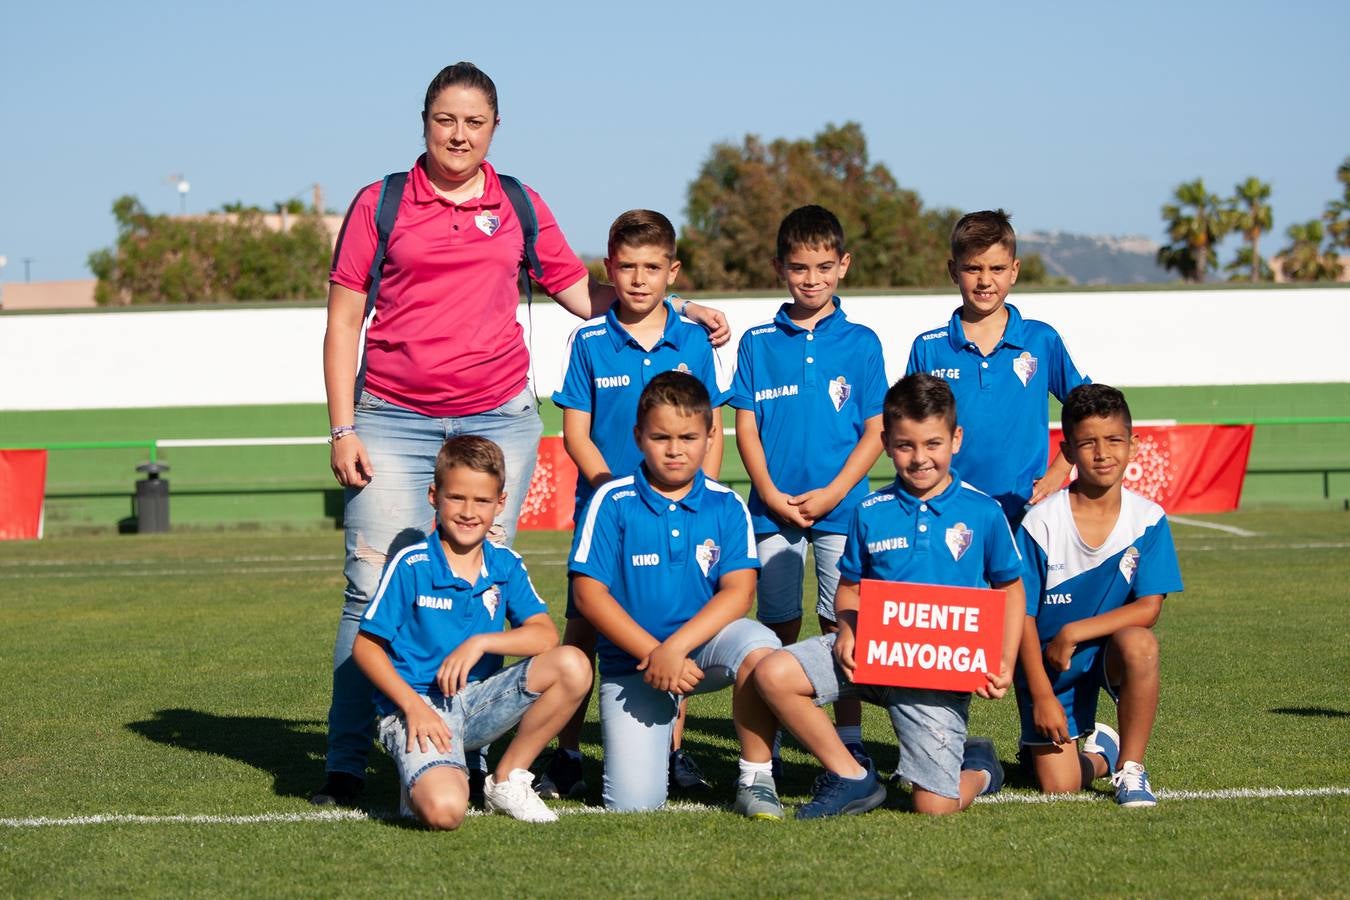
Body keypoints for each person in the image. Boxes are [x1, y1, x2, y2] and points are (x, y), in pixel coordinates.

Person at [315, 62, 728, 806]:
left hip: (497, 416)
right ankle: (345, 763)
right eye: (446, 119)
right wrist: (342, 425)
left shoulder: (518, 204)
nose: (459, 134)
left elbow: (584, 294)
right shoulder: (379, 204)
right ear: (424, 122)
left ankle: (469, 757)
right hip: (393, 417)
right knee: (368, 589)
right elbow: (344, 319)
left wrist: (681, 303)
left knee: (481, 592)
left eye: (474, 122)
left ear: (495, 129)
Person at [753, 374, 1024, 818]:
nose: (920, 459)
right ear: (886, 442)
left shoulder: (983, 511)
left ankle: (978, 766)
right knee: (772, 673)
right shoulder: (870, 511)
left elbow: (1010, 589)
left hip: (940, 671)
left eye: (933, 444)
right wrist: (847, 626)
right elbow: (850, 588)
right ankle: (852, 776)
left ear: (956, 439)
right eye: (905, 445)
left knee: (935, 807)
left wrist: (1004, 659)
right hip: (873, 657)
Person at [540, 210, 730, 800]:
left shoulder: (694, 339)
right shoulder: (590, 341)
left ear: (673, 271)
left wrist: (700, 499)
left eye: (653, 268)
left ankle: (674, 752)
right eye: (628, 267)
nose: (640, 279)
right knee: (584, 627)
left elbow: (712, 429)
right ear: (608, 269)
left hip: (680, 516)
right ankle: (567, 751)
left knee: (676, 623)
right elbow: (577, 432)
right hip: (608, 513)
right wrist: (612, 492)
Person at [569, 372, 784, 816]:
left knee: (763, 650)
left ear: (709, 437)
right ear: (638, 436)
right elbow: (589, 596)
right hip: (634, 666)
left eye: (688, 436)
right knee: (634, 806)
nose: (674, 449)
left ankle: (756, 777)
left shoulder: (727, 503)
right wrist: (655, 653)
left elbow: (739, 592)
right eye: (661, 436)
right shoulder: (610, 500)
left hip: (702, 654)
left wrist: (676, 649)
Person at [350, 435, 591, 829]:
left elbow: (545, 636)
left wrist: (481, 643)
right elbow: (366, 648)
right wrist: (412, 708)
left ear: (500, 503)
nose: (468, 511)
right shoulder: (412, 563)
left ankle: (506, 779)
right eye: (457, 497)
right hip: (418, 709)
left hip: (478, 702)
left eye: (481, 501)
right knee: (446, 811)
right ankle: (428, 777)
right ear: (434, 495)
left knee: (573, 664)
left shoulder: (506, 565)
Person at [729, 205, 887, 772]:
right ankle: (767, 730)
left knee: (840, 621)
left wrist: (834, 493)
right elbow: (744, 423)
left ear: (843, 265)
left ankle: (846, 734)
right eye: (799, 267)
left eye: (824, 266)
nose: (812, 278)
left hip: (844, 511)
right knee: (774, 623)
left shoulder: (863, 343)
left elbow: (875, 430)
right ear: (780, 268)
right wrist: (769, 493)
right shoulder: (757, 342)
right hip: (773, 510)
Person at [1015, 384, 1183, 807]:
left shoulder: (1148, 519)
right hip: (1052, 666)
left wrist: (1076, 631)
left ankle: (1130, 767)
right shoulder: (1041, 522)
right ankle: (1101, 753)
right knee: (1060, 785)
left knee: (1141, 644)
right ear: (1068, 450)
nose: (1103, 453)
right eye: (1088, 443)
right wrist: (1041, 696)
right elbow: (1021, 618)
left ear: (1133, 444)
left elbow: (1149, 608)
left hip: (1105, 654)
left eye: (1113, 441)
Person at [905, 209, 1089, 524]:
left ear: (1014, 270)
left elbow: (1089, 409)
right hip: (949, 511)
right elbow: (909, 429)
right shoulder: (929, 347)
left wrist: (1058, 471)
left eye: (997, 268)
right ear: (953, 271)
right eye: (973, 268)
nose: (985, 280)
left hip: (1027, 511)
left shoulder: (1041, 339)